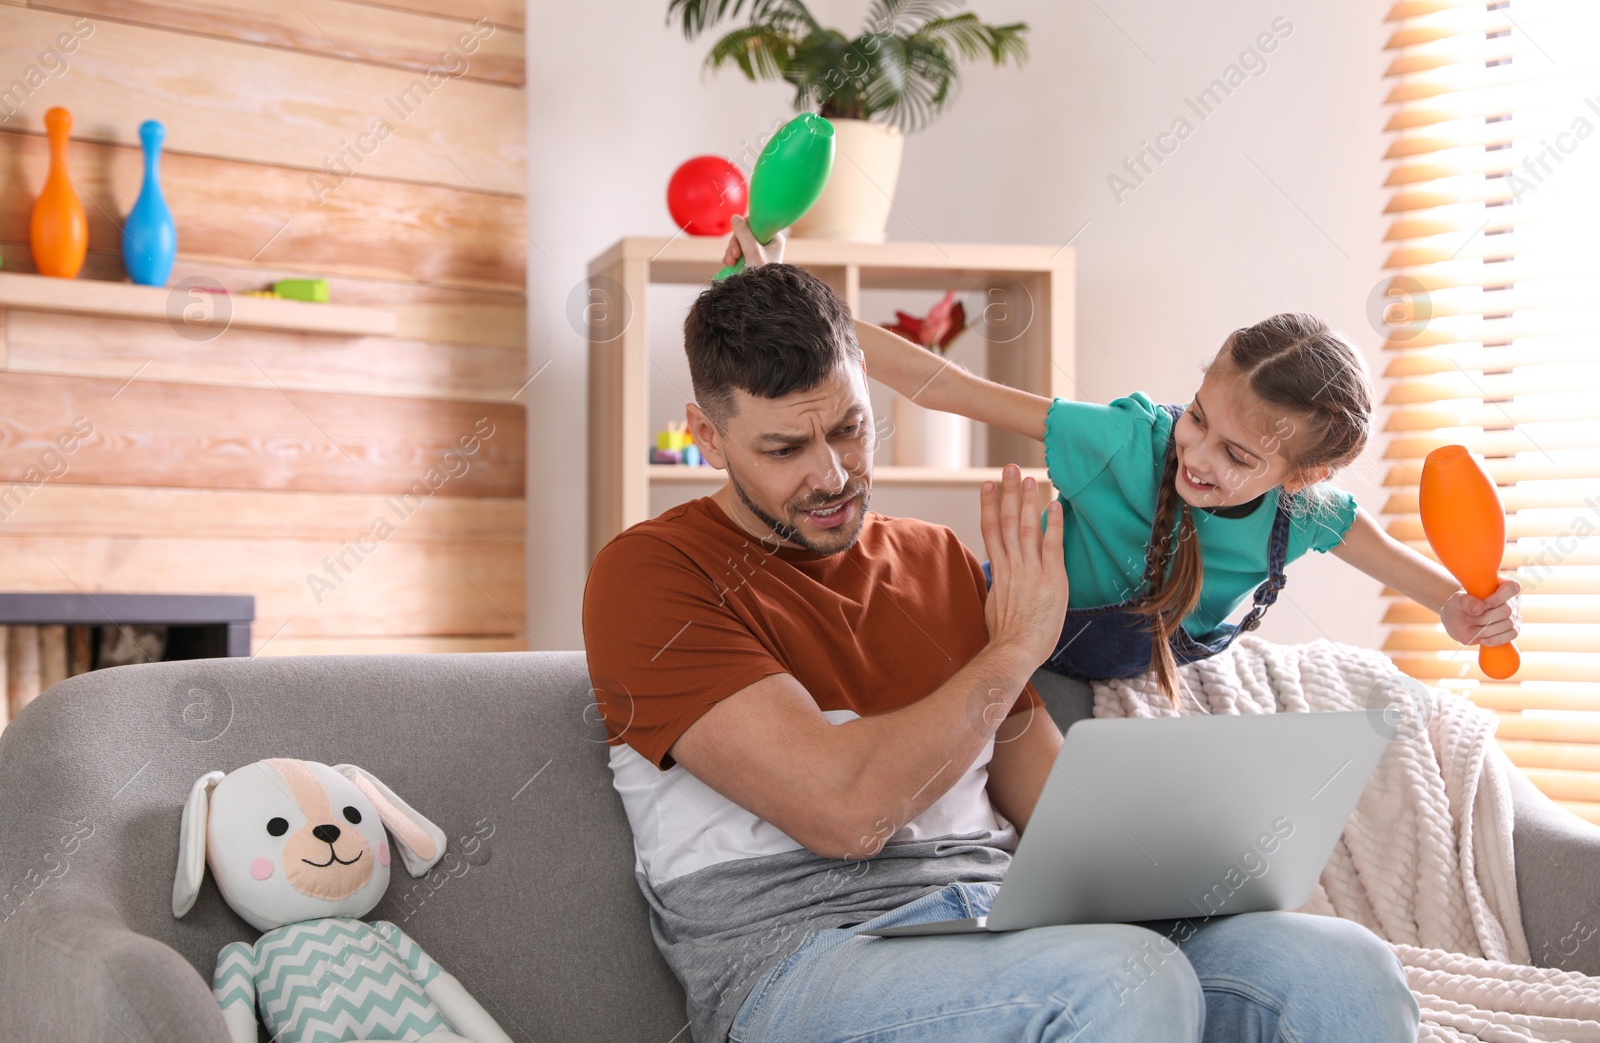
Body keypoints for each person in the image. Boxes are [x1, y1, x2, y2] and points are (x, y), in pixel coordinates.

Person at [581, 218, 1420, 1042]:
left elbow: (1048, 802)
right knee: (1118, 982)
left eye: (848, 427)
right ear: (707, 435)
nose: (831, 474)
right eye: (784, 447)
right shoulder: (650, 575)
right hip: (804, 954)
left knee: (1340, 964)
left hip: (996, 920)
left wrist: (1218, 843)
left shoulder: (935, 559)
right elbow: (848, 813)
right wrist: (1017, 642)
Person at [854, 294, 1522, 701]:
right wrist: (803, 307)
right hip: (994, 641)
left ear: (1301, 477)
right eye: (1198, 417)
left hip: (1117, 686)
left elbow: (1439, 594)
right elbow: (947, 387)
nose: (1196, 456)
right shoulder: (1125, 441)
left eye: (1237, 455)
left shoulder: (1306, 517)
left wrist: (1466, 615)